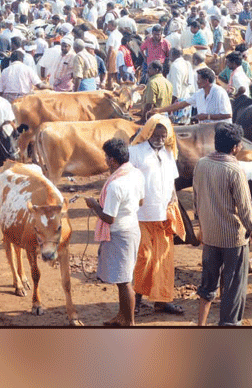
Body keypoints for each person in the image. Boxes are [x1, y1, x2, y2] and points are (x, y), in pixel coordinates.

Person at [194, 123, 252, 326]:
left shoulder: (201, 164)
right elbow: (245, 210)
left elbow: (197, 198)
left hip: (210, 236)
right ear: (235, 147)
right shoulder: (235, 170)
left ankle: (200, 325)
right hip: (233, 239)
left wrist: (201, 228)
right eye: (240, 144)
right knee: (233, 288)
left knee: (207, 286)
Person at [127, 115, 186, 317]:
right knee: (144, 257)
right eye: (156, 134)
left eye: (163, 135)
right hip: (141, 215)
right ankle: (135, 300)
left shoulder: (169, 153)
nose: (159, 138)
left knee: (164, 259)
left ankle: (162, 301)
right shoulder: (134, 152)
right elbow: (127, 179)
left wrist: (174, 200)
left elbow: (171, 182)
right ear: (148, 132)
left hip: (164, 214)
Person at [84, 138, 145, 326]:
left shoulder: (115, 185)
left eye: (106, 157)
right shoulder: (136, 173)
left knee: (125, 281)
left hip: (120, 233)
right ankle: (122, 316)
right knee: (122, 279)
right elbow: (141, 202)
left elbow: (109, 218)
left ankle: (130, 322)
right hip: (132, 228)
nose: (105, 160)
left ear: (112, 161)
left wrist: (94, 205)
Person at [154, 68, 232, 124]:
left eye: (199, 79)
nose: (197, 82)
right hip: (205, 130)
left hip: (221, 130)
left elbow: (228, 115)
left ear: (206, 81)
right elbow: (181, 105)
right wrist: (159, 110)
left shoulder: (219, 92)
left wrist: (207, 117)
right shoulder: (199, 93)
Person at [140, 61, 172, 125]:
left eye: (150, 68)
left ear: (156, 70)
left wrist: (143, 119)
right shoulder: (168, 82)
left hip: (155, 118)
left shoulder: (152, 83)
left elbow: (149, 104)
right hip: (165, 116)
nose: (147, 70)